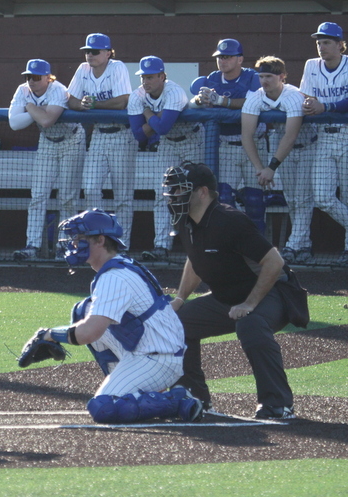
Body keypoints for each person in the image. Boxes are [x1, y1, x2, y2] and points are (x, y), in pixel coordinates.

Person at [20, 209, 202, 424]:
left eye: (79, 238)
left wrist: (49, 335)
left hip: (158, 358)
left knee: (103, 408)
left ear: (100, 240)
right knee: (84, 310)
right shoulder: (118, 267)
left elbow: (89, 333)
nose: (73, 244)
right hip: (150, 346)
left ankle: (176, 399)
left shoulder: (114, 277)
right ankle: (132, 386)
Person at [165, 161, 299, 419]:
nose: (173, 196)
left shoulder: (230, 220)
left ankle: (278, 404)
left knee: (250, 324)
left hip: (273, 294)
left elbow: (274, 262)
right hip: (228, 297)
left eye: (179, 189)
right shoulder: (185, 219)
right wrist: (181, 297)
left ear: (202, 192)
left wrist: (249, 304)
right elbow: (195, 259)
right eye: (171, 190)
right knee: (176, 323)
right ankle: (193, 397)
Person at [241, 56, 317, 265]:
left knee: (302, 197)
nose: (264, 81)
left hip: (308, 145)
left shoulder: (292, 96)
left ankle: (294, 244)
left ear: (282, 76)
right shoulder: (256, 97)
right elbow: (246, 135)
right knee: (292, 198)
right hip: (281, 149)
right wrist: (260, 168)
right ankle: (303, 245)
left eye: (269, 76)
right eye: (261, 76)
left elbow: (291, 136)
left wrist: (271, 167)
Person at [128, 56, 203, 261]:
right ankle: (161, 246)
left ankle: (200, 245)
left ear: (162, 76)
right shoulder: (137, 96)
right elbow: (138, 135)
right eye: (143, 77)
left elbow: (162, 127)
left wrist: (148, 113)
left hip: (192, 140)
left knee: (195, 194)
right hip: (168, 144)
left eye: (150, 77)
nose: (146, 82)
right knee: (163, 193)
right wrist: (155, 114)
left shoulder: (174, 92)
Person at [8, 59, 83, 260]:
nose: (31, 81)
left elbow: (48, 120)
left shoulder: (58, 89)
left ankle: (65, 246)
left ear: (48, 78)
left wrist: (30, 107)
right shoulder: (23, 90)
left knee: (67, 197)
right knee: (38, 196)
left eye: (36, 77)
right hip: (47, 142)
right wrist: (37, 111)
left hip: (71, 140)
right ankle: (32, 246)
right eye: (28, 76)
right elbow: (14, 123)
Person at [67, 33, 135, 250]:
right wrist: (83, 105)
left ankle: (122, 244)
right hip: (98, 134)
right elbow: (70, 99)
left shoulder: (117, 67)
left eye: (95, 51)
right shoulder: (82, 69)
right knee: (90, 188)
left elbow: (123, 101)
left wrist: (95, 104)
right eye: (87, 51)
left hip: (122, 135)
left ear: (107, 53)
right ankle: (96, 241)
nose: (89, 55)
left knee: (123, 196)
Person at [189, 38, 264, 228]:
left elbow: (253, 102)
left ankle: (257, 252)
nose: (223, 61)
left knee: (254, 202)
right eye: (220, 57)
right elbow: (192, 102)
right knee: (223, 200)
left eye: (228, 57)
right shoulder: (213, 78)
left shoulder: (252, 76)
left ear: (240, 59)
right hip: (225, 144)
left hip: (253, 144)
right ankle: (230, 248)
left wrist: (222, 101)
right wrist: (200, 100)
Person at [299, 22, 348, 267]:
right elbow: (306, 96)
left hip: (347, 135)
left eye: (327, 41)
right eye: (319, 42)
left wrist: (325, 106)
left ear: (340, 44)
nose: (321, 46)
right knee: (322, 197)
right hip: (324, 138)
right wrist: (309, 104)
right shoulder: (311, 65)